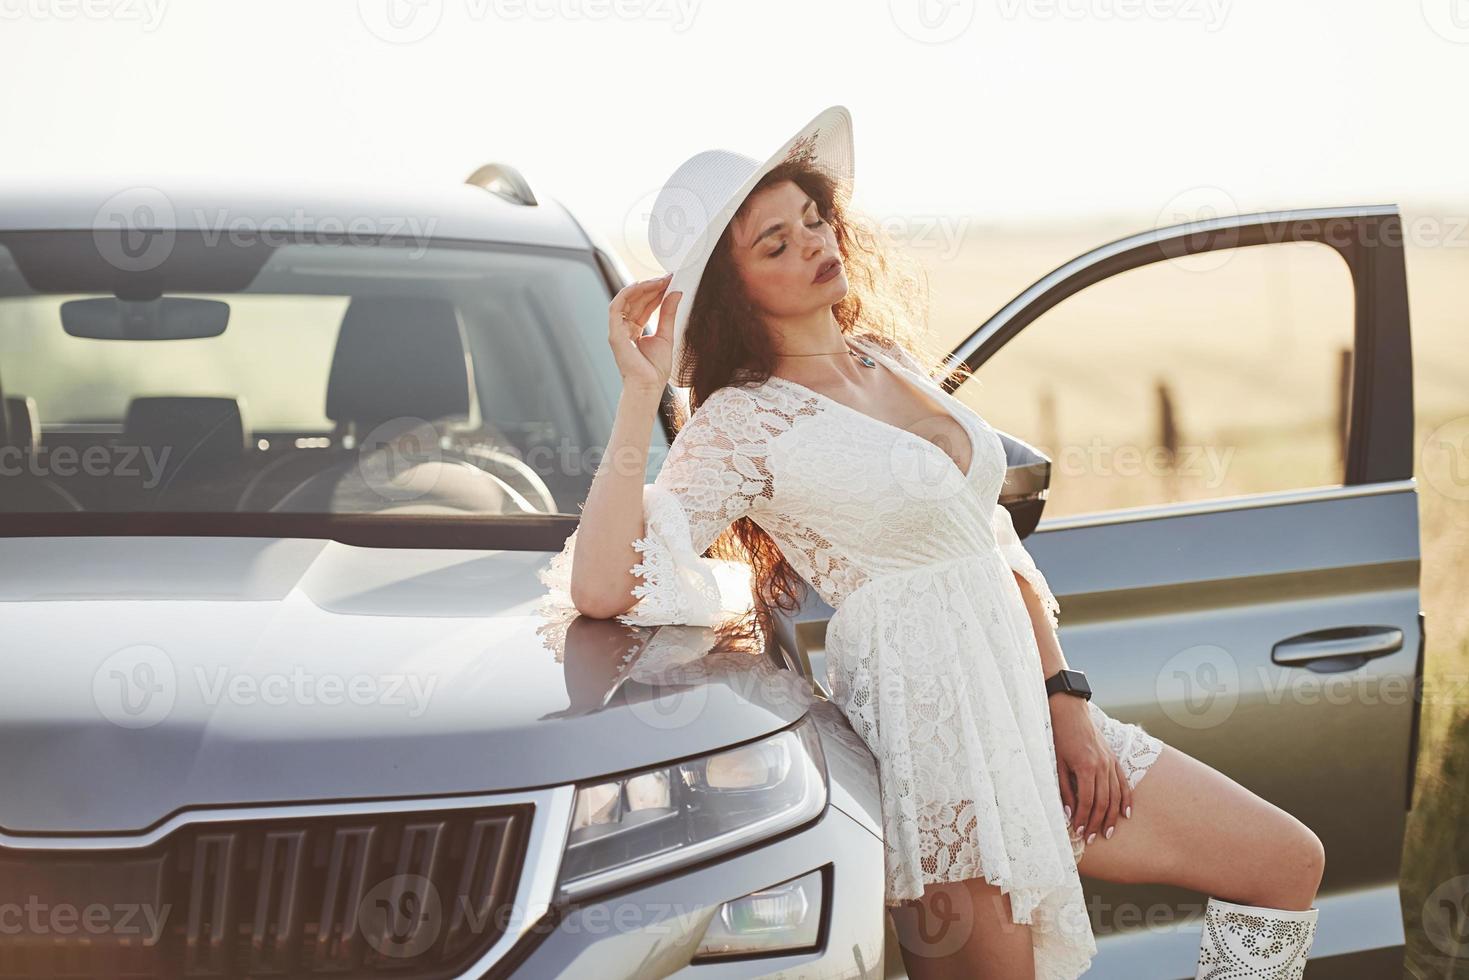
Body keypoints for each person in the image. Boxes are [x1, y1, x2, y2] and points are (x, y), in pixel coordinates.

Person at [538, 104, 1324, 979]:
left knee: (1282, 864)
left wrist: (1065, 699)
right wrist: (639, 393)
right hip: (935, 737)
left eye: (811, 219)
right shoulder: (740, 422)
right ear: (733, 294)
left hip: (1029, 708)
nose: (810, 243)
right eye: (774, 244)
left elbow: (987, 540)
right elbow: (606, 586)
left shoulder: (886, 358)